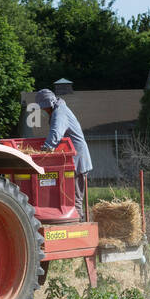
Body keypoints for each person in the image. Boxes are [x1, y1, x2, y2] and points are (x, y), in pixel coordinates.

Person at [35, 89, 93, 218]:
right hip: (71, 160)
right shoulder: (59, 109)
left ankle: (78, 225)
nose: (44, 110)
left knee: (74, 197)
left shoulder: (59, 112)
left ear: (48, 103)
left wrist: (46, 149)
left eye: (44, 107)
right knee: (68, 196)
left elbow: (56, 132)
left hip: (77, 160)